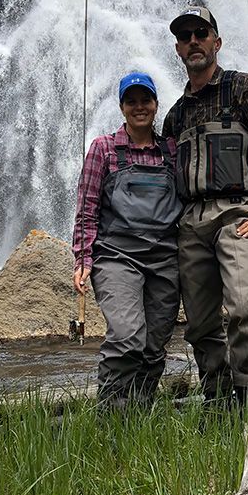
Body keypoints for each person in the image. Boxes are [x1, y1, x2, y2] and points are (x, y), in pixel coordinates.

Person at [161, 6, 248, 409]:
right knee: (201, 324)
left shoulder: (245, 90)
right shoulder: (175, 115)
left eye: (200, 33)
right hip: (189, 223)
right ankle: (217, 402)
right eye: (185, 36)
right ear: (177, 49)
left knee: (243, 307)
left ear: (216, 42)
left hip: (239, 214)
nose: (193, 41)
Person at [73, 72, 181, 409]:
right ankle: (109, 418)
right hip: (117, 257)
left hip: (165, 258)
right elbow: (87, 205)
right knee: (127, 337)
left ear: (155, 104)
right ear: (122, 107)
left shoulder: (172, 151)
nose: (139, 107)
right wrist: (83, 258)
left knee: (154, 346)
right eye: (131, 101)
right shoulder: (103, 149)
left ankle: (140, 415)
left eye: (145, 100)